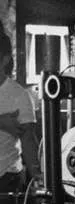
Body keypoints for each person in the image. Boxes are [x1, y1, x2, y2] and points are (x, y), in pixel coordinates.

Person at [0, 31, 41, 193]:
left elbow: (28, 140)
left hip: (6, 178)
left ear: (5, 59)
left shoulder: (19, 95)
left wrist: (38, 178)